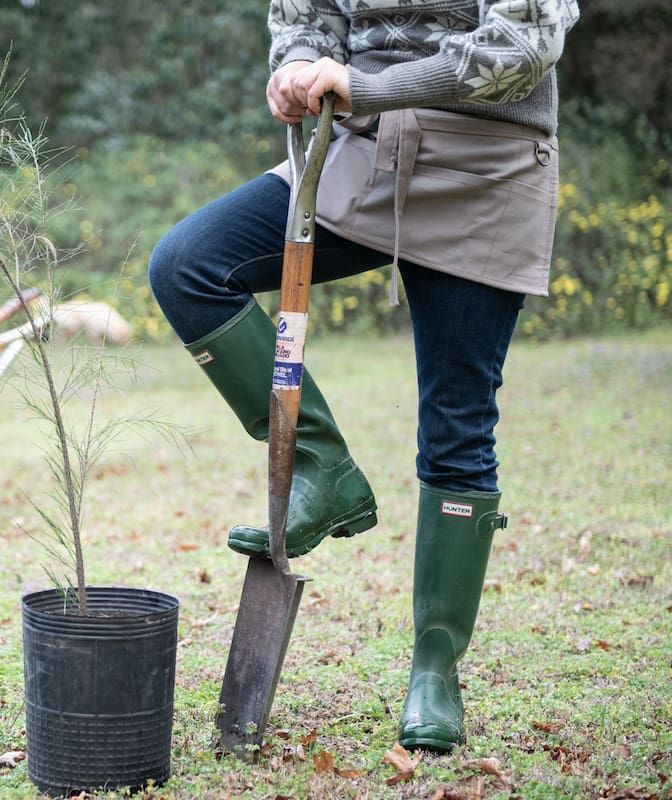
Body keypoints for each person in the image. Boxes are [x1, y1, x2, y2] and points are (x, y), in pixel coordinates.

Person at [148, 0, 580, 753]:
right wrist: (294, 68)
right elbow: (306, 16)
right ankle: (322, 465)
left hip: (486, 164)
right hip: (356, 152)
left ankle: (435, 668)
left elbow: (524, 43)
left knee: (457, 425)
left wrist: (364, 83)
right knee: (189, 265)